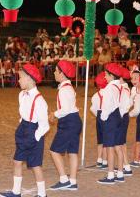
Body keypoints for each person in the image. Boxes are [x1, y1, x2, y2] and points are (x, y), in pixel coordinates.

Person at [0, 64, 49, 197]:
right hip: (23, 129)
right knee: (17, 161)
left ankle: (42, 194)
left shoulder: (40, 101)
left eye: (20, 77)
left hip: (34, 131)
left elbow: (45, 125)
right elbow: (23, 114)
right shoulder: (21, 95)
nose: (18, 80)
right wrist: (22, 125)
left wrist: (35, 137)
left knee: (35, 164)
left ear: (30, 79)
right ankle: (16, 192)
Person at [49, 60, 82, 191]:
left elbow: (65, 109)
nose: (54, 72)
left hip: (68, 122)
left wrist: (53, 114)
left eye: (56, 70)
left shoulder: (64, 89)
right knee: (72, 152)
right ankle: (72, 181)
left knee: (54, 151)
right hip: (74, 120)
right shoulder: (68, 87)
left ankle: (64, 179)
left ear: (62, 73)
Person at [97, 63, 124, 184]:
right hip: (118, 115)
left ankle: (110, 175)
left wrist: (103, 117)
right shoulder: (119, 86)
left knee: (109, 147)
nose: (105, 77)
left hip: (110, 117)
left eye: (106, 75)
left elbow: (107, 106)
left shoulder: (109, 88)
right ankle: (120, 173)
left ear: (112, 76)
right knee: (117, 144)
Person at [90, 71, 108, 169]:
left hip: (99, 116)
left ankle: (99, 159)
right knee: (106, 140)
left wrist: (98, 115)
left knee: (100, 139)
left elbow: (92, 109)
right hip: (107, 116)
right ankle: (105, 161)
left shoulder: (95, 95)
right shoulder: (109, 93)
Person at [118, 67, 133, 176]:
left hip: (121, 116)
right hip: (124, 115)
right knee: (121, 142)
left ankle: (126, 166)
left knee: (120, 143)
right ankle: (125, 165)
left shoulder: (123, 90)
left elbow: (125, 105)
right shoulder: (126, 89)